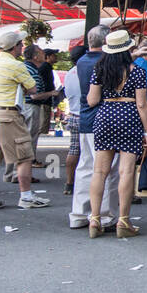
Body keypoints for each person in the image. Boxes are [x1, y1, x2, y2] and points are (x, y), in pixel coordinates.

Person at [85, 30, 147, 238]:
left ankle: (94, 219)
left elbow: (92, 101)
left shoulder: (99, 69)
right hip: (130, 118)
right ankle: (123, 220)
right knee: (126, 172)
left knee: (99, 172)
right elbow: (142, 104)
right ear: (128, 49)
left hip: (105, 117)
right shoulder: (137, 71)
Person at [0, 32, 49, 210]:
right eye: (21, 45)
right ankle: (26, 196)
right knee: (24, 156)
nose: (22, 48)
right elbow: (33, 88)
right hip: (8, 113)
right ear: (15, 47)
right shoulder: (16, 65)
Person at [69, 26, 119, 230]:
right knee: (106, 169)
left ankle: (79, 213)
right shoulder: (105, 62)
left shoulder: (81, 62)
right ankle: (104, 214)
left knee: (86, 167)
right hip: (105, 119)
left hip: (85, 120)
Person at [62, 44, 87, 194]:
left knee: (74, 150)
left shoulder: (69, 73)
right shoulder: (85, 71)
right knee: (92, 152)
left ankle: (69, 183)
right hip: (86, 115)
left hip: (73, 114)